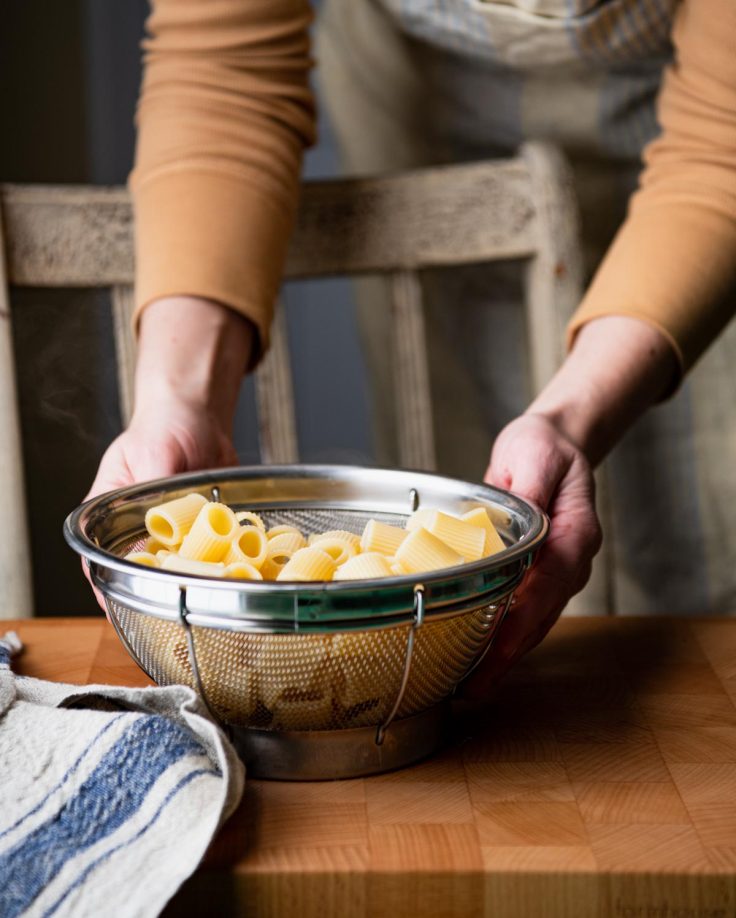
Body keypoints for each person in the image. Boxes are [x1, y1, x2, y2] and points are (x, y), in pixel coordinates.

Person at [89, 0, 736, 681]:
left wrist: (566, 418)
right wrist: (178, 399)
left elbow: (721, 143)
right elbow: (222, 73)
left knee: (698, 567)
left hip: (683, 139)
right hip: (412, 93)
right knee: (463, 528)